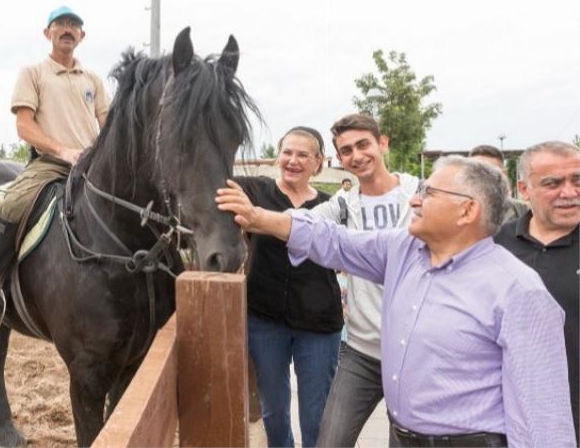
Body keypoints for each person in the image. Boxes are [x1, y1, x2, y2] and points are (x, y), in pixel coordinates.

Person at [217, 156, 575, 447]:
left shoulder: (518, 292)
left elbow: (543, 422)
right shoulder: (404, 250)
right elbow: (336, 241)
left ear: (467, 212)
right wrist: (259, 218)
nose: (414, 200)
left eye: (428, 192)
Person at [0, 5, 110, 328]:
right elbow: (25, 127)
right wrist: (63, 150)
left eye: (74, 25)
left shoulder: (93, 80)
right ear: (48, 33)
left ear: (82, 36)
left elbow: (108, 124)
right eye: (60, 24)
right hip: (50, 164)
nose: (67, 29)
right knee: (13, 204)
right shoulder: (33, 73)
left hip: (90, 167)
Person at [308, 114, 419, 447]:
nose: (356, 156)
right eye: (346, 151)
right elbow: (297, 226)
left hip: (416, 352)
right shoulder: (342, 204)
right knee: (330, 441)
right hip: (362, 351)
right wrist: (252, 217)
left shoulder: (422, 195)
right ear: (339, 160)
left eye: (363, 144)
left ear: (382, 143)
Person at [236, 126, 343, 447]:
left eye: (303, 155)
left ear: (318, 163)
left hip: (319, 325)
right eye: (287, 152)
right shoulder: (254, 191)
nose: (293, 160)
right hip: (265, 320)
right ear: (277, 156)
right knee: (274, 411)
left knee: (316, 416)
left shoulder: (332, 206)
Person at [495, 141, 580, 444]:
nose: (569, 192)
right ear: (524, 189)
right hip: (510, 423)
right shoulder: (496, 244)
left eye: (577, 180)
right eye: (553, 183)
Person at [468, 144, 529, 222]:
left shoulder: (524, 213)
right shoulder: (454, 213)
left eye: (491, 171)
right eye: (477, 171)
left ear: (504, 174)